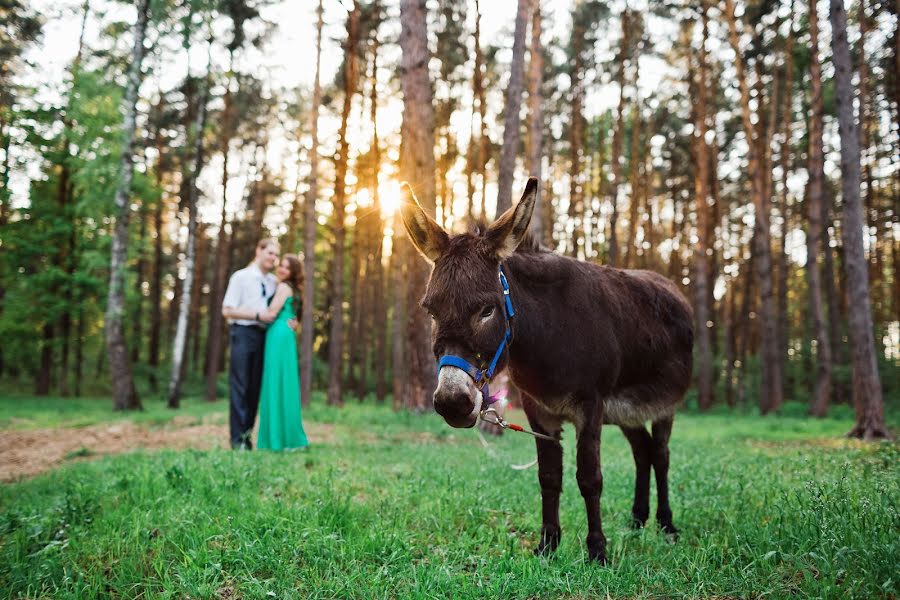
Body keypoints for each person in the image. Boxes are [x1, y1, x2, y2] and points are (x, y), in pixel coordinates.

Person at [221, 238, 280, 450]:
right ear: (258, 250)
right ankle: (236, 441)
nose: (273, 258)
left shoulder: (273, 282)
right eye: (269, 253)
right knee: (240, 386)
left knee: (255, 388)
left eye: (275, 254)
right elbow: (227, 310)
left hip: (264, 336)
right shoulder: (241, 277)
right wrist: (256, 315)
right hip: (243, 333)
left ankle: (247, 437)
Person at [254, 254, 309, 451]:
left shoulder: (284, 287)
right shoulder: (292, 289)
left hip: (277, 334)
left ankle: (276, 440)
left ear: (293, 272)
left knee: (275, 382)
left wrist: (250, 313)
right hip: (285, 335)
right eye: (281, 266)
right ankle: (287, 437)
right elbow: (295, 317)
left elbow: (272, 311)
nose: (282, 269)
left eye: (287, 267)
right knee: (284, 383)